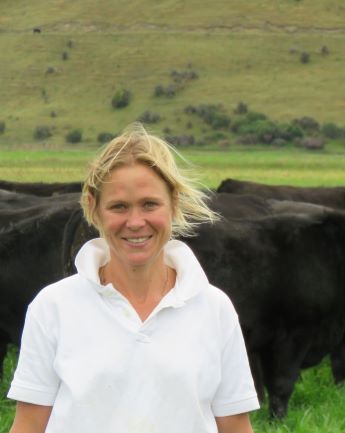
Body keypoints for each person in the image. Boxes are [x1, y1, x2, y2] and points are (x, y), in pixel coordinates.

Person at [7, 123, 260, 433]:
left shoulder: (214, 308)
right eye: (119, 207)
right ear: (93, 209)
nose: (136, 222)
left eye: (149, 204)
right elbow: (28, 426)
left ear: (174, 204)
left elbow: (235, 426)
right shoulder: (53, 307)